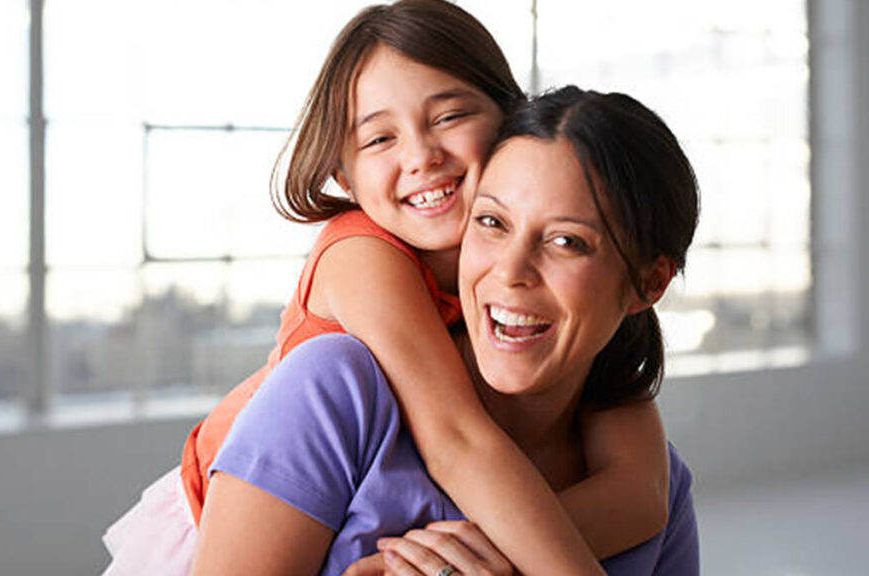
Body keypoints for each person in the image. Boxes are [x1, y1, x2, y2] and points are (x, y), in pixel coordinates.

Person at [102, 2, 668, 573]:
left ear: (510, 121)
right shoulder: (362, 255)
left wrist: (481, 561)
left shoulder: (547, 305)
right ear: (343, 175)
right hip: (219, 523)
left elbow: (643, 496)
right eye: (378, 139)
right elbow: (456, 440)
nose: (421, 157)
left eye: (448, 117)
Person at [192, 85, 701, 575]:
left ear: (648, 284)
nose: (510, 271)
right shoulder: (335, 389)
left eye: (567, 241)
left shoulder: (652, 485)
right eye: (492, 223)